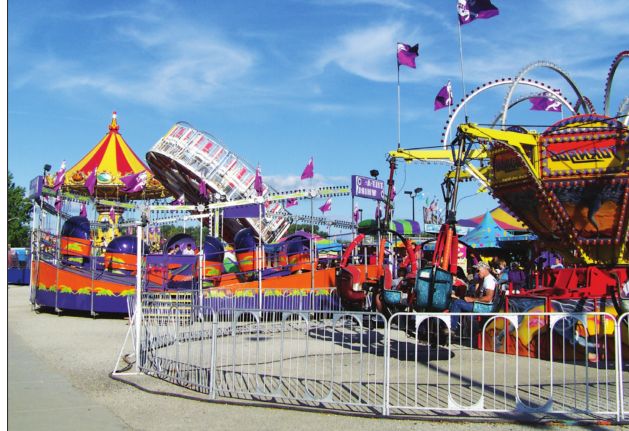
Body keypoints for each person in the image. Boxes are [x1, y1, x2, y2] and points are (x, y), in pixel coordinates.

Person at [449, 261, 497, 333]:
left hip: (484, 307)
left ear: (485, 269)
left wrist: (472, 300)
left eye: (478, 270)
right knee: (459, 301)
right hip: (482, 305)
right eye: (476, 271)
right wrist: (478, 283)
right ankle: (461, 329)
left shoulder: (489, 281)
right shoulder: (485, 279)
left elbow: (488, 298)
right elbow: (477, 293)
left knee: (457, 303)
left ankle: (452, 328)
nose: (477, 273)